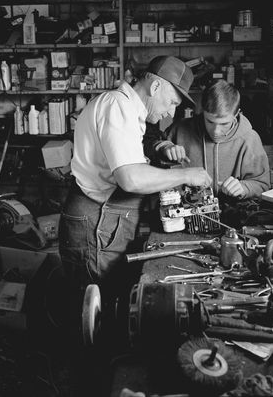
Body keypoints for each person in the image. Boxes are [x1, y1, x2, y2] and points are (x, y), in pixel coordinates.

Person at [59, 55, 212, 316]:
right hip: (96, 221)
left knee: (105, 306)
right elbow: (130, 178)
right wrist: (187, 175)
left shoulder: (130, 112)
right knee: (95, 309)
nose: (171, 112)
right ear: (155, 87)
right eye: (172, 102)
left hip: (105, 219)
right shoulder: (117, 107)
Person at [154, 79, 270, 200]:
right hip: (187, 210)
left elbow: (263, 185)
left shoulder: (250, 139)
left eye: (224, 124)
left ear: (237, 114)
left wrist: (244, 187)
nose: (216, 131)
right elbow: (151, 147)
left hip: (233, 213)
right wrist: (165, 147)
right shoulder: (180, 129)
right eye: (210, 121)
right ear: (202, 112)